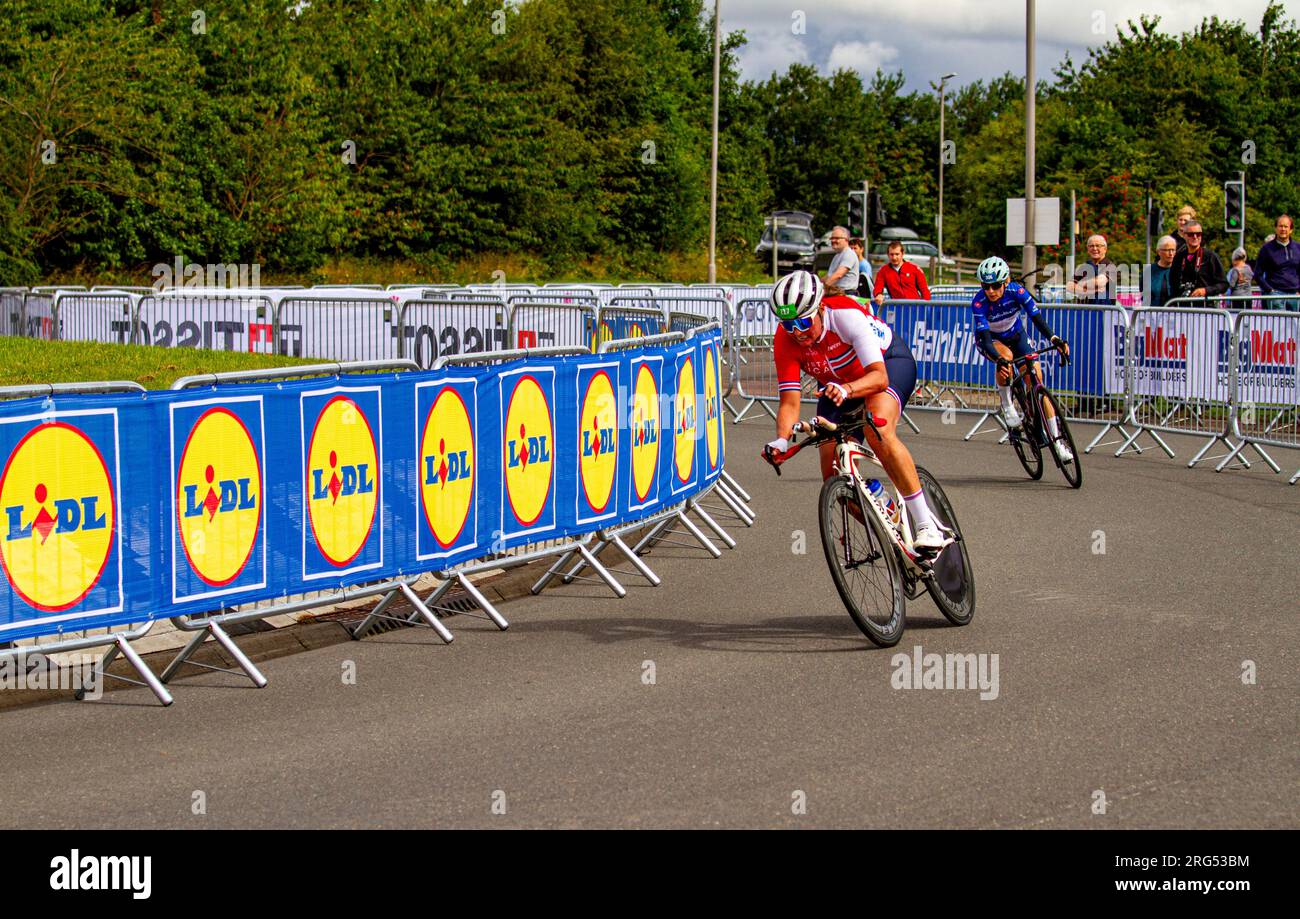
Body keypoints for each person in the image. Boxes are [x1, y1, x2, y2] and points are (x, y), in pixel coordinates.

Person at [763, 270, 947, 552]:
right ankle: (891, 525)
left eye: (802, 321)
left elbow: (879, 378)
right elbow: (790, 401)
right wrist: (781, 440)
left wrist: (849, 389)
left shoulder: (845, 315)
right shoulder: (785, 339)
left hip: (886, 366)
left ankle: (926, 525)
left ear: (820, 308)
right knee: (834, 475)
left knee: (877, 429)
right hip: (838, 388)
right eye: (788, 325)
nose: (797, 332)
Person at [970, 256, 1074, 464]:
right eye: (985, 285)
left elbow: (1037, 319)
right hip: (991, 341)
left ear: (1006, 281)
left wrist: (1055, 339)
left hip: (1017, 336)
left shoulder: (1016, 292)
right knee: (1006, 359)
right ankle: (1008, 406)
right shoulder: (979, 302)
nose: (990, 291)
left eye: (995, 285)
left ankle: (1057, 443)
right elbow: (987, 340)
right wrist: (998, 359)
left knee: (1036, 379)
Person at [1169, 221, 1227, 301]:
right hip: (1182, 307)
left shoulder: (1210, 256)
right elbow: (1172, 284)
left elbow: (1223, 284)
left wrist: (1205, 290)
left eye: (1198, 234)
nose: (1195, 237)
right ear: (1184, 235)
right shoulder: (1179, 257)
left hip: (1204, 308)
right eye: (1191, 234)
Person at [1254, 214, 1299, 311]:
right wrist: (1269, 290)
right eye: (1280, 226)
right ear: (1276, 228)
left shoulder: (1298, 248)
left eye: (1286, 226)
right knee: (1279, 325)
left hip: (1295, 295)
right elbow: (1258, 274)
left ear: (1291, 230)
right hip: (1276, 296)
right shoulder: (1266, 249)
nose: (1283, 229)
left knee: (1295, 326)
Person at [872, 239, 931, 306]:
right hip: (897, 308)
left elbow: (925, 291)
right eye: (891, 254)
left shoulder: (914, 269)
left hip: (916, 308)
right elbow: (878, 286)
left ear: (902, 254)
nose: (894, 257)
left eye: (897, 254)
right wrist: (878, 294)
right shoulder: (883, 271)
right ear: (888, 255)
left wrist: (925, 307)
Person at [1067, 235, 1117, 305]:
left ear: (1105, 249)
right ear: (1088, 248)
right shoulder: (1083, 266)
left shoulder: (1110, 266)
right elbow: (1069, 287)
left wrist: (1079, 285)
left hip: (1104, 311)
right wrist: (1090, 291)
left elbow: (1099, 282)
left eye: (1098, 245)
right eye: (1091, 246)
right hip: (1083, 310)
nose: (1094, 248)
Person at [1143, 236, 1178, 308]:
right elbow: (1142, 293)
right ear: (1159, 251)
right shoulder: (1149, 271)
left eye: (1173, 250)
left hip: (1174, 314)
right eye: (1167, 250)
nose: (1171, 253)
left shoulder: (1179, 269)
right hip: (1152, 313)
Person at [823, 226, 859, 293]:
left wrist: (823, 289)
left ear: (846, 239)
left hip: (847, 294)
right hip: (837, 293)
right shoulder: (837, 255)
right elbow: (828, 276)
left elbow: (838, 275)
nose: (833, 240)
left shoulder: (849, 254)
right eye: (832, 238)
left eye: (837, 238)